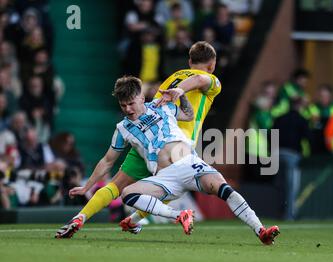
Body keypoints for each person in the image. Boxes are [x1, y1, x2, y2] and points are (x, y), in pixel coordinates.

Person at [56, 76, 280, 245]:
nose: (127, 109)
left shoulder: (162, 107)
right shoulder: (122, 128)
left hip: (189, 164)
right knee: (128, 194)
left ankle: (261, 230)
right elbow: (107, 161)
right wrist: (87, 186)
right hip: (164, 178)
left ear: (141, 98)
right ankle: (179, 216)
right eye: (123, 105)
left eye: (131, 103)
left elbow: (189, 115)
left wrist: (181, 95)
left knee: (224, 189)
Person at [55, 41, 222, 238]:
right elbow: (200, 84)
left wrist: (87, 187)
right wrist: (181, 91)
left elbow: (110, 158)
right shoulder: (210, 79)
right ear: (212, 65)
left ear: (189, 61)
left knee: (116, 185)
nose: (127, 108)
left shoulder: (171, 79)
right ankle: (136, 219)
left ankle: (81, 218)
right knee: (173, 186)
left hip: (143, 139)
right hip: (177, 145)